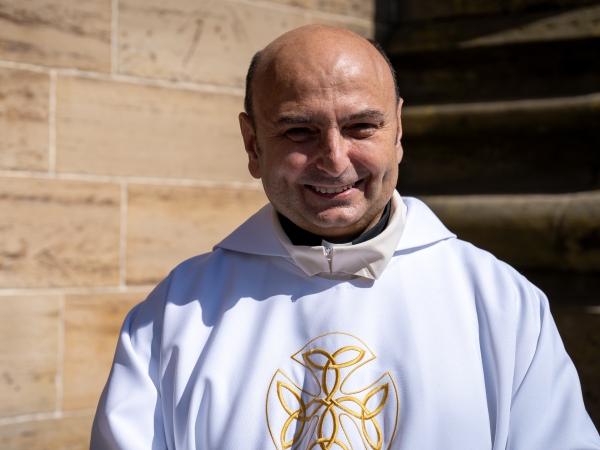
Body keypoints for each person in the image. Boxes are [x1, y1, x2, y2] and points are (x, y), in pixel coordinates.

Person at [90, 25, 600, 450]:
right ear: (252, 144)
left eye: (361, 126)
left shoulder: (501, 303)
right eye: (298, 131)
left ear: (397, 132)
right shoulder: (174, 315)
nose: (334, 160)